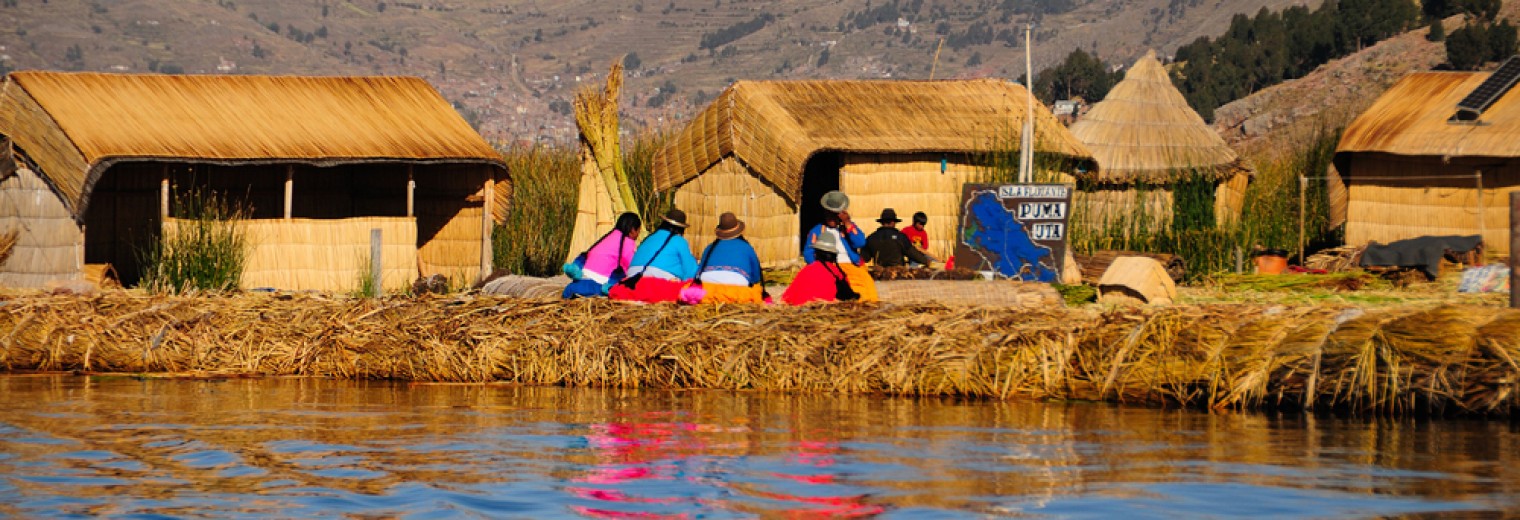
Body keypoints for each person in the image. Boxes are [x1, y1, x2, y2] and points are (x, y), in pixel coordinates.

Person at [609, 209, 698, 303]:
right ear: (682, 228)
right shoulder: (679, 241)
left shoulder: (648, 238)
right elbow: (691, 272)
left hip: (632, 279)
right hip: (656, 282)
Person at [691, 212, 765, 303]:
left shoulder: (710, 247)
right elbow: (756, 276)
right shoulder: (746, 247)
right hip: (737, 286)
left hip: (708, 285)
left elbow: (699, 272)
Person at [563, 212, 640, 299]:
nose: (638, 235)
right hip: (599, 287)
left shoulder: (607, 238)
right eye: (638, 231)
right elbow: (632, 268)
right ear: (633, 230)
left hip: (577, 285)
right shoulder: (628, 242)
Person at [782, 231, 872, 305]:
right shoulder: (838, 273)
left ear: (816, 252)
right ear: (834, 255)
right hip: (828, 311)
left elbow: (787, 297)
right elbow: (848, 296)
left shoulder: (805, 271)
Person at [801, 190, 866, 265]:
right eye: (829, 215)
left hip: (850, 264)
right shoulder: (817, 231)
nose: (832, 218)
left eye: (835, 215)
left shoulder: (848, 228)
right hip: (828, 267)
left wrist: (848, 223)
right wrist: (820, 266)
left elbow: (860, 243)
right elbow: (808, 253)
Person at [861, 208, 931, 268]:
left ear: (882, 222)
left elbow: (865, 258)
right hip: (898, 274)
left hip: (879, 274)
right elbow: (913, 254)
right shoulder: (901, 237)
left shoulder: (871, 238)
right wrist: (927, 262)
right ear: (893, 222)